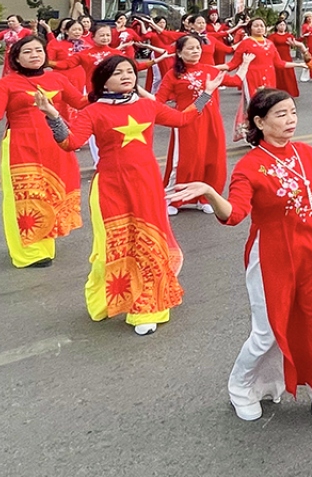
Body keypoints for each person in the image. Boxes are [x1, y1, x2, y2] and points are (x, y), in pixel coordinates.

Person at [169, 91, 312, 429]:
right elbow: (234, 215)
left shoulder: (303, 152)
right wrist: (212, 194)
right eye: (281, 115)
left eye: (292, 113)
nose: (291, 120)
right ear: (259, 122)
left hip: (310, 252)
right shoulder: (249, 167)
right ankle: (242, 389)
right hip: (270, 254)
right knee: (268, 332)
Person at [37, 55, 223, 335]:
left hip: (146, 185)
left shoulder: (147, 105)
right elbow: (70, 142)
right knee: (114, 247)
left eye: (130, 71)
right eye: (118, 72)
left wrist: (206, 94)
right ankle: (107, 298)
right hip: (111, 187)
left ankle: (147, 307)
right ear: (103, 80)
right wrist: (52, 115)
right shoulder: (93, 111)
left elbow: (184, 119)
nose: (126, 76)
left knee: (148, 245)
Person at [0, 35, 86, 267]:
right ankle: (27, 253)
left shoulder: (58, 79)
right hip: (21, 147)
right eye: (28, 52)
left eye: (38, 51)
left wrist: (110, 89)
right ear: (17, 58)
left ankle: (45, 244)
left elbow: (81, 103)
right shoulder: (6, 84)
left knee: (50, 195)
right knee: (26, 198)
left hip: (55, 144)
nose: (35, 55)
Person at [158, 33, 236, 215]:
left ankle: (205, 197)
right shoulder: (173, 75)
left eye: (198, 48)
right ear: (179, 52)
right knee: (185, 161)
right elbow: (158, 101)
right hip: (186, 121)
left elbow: (235, 81)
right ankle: (174, 199)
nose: (195, 51)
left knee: (211, 159)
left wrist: (246, 64)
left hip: (211, 121)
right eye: (190, 48)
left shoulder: (210, 70)